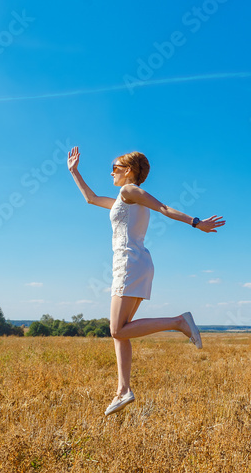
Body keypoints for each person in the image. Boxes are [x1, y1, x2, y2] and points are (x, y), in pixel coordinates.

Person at [67, 146, 226, 415]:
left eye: (115, 168)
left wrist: (196, 222)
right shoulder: (123, 200)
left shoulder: (129, 191)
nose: (111, 173)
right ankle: (123, 390)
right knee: (123, 331)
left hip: (130, 263)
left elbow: (163, 207)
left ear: (128, 170)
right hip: (132, 264)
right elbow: (91, 199)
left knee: (117, 330)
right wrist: (74, 172)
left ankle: (179, 322)